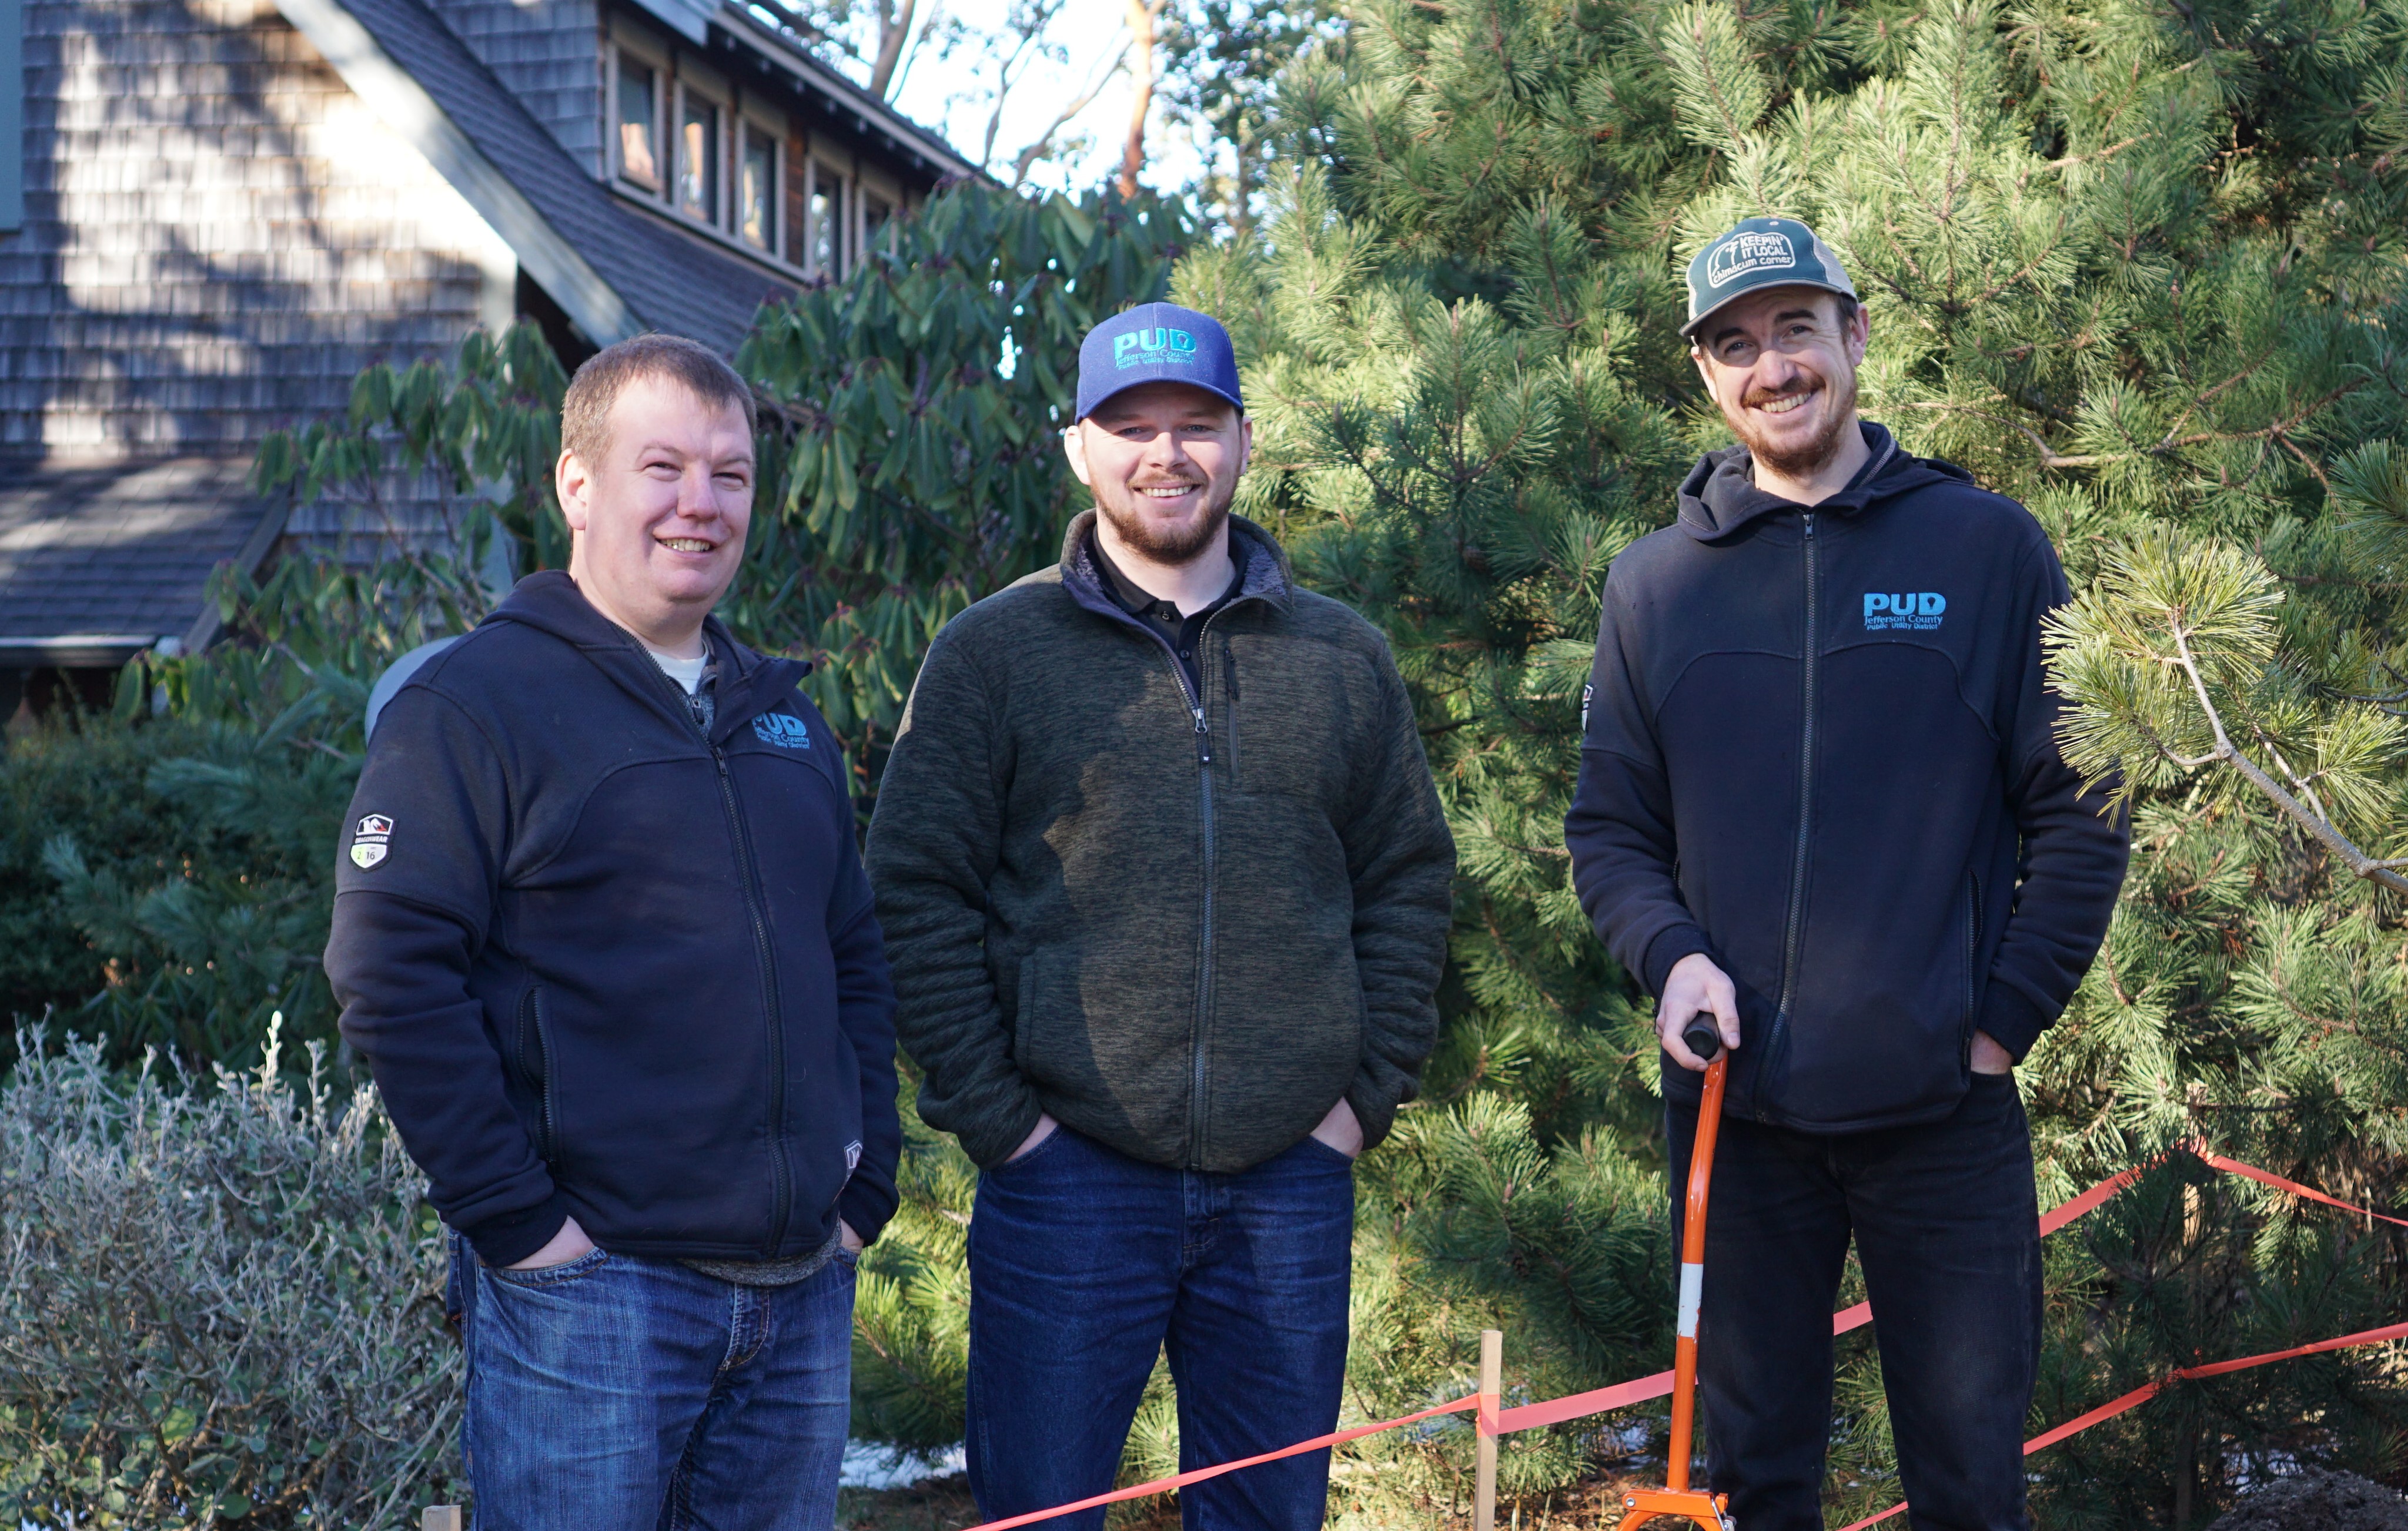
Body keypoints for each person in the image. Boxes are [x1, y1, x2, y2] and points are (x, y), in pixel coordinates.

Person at [1564, 219, 2130, 1531]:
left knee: (1968, 1489)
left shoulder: (1984, 550)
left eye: (1793, 330)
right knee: (1756, 1488)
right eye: (1735, 344)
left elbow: (2083, 805)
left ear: (1853, 335)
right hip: (1734, 1121)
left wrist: (1992, 1028)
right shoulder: (1652, 588)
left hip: (1942, 1117)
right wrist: (1670, 956)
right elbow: (1608, 830)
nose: (1771, 367)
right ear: (1706, 375)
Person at [866, 301, 1456, 1529]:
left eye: (1195, 423)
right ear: (1077, 447)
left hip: (1289, 1180)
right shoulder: (992, 654)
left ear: (1243, 440)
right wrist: (1000, 1122)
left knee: (1263, 1517)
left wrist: (1357, 1104)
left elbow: (1405, 875)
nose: (1165, 452)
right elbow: (914, 888)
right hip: (1064, 1180)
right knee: (1040, 1516)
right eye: (1129, 425)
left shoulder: (1341, 657)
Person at [323, 334, 898, 1530]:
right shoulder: (472, 705)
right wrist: (523, 1229)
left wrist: (869, 1174)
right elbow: (387, 973)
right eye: (663, 467)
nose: (700, 503)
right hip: (593, 1298)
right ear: (576, 486)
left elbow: (853, 953)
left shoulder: (783, 719)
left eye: (729, 474)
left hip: (797, 1294)